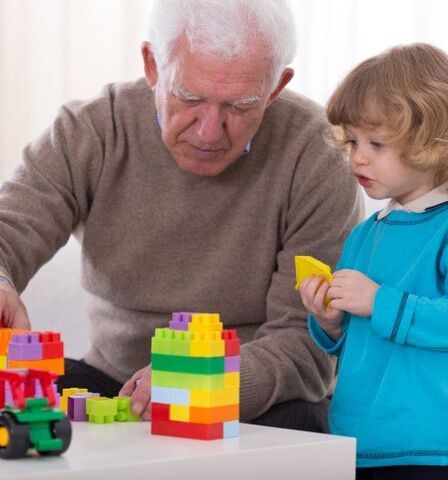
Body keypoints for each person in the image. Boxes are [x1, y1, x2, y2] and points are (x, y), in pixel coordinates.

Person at [0, 0, 361, 432]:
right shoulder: (90, 131)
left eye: (241, 106)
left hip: (243, 391)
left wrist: (202, 382)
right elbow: (11, 228)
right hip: (112, 382)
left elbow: (308, 343)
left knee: (301, 421)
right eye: (189, 97)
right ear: (153, 65)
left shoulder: (318, 154)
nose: (209, 131)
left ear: (275, 88)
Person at [299, 43, 448, 479]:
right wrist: (328, 322)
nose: (358, 156)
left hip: (440, 451)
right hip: (360, 443)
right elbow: (356, 340)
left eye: (377, 143)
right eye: (353, 140)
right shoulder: (366, 234)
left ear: (432, 142)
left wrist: (380, 302)